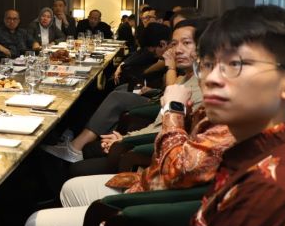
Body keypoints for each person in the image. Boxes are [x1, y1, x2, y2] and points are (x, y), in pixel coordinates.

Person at [23, 5, 285, 226]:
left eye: (236, 65)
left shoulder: (276, 190)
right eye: (208, 64)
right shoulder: (261, 153)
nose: (211, 78)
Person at [25, 88, 234, 226]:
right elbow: (176, 141)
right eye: (208, 64)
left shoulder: (231, 128)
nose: (214, 75)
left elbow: (176, 170)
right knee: (70, 189)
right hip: (149, 184)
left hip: (153, 212)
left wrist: (174, 109)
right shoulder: (216, 108)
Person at [42, 19, 207, 163]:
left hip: (160, 134)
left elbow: (170, 102)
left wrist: (170, 67)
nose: (177, 50)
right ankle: (77, 136)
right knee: (115, 90)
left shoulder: (201, 84)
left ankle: (76, 146)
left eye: (186, 43)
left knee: (116, 97)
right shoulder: (186, 75)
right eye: (174, 43)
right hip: (155, 110)